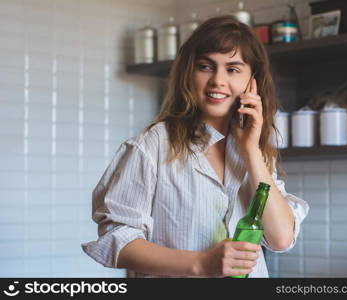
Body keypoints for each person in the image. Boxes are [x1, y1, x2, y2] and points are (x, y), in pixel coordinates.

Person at [81, 15, 309, 278]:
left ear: (252, 82)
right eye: (206, 66)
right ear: (189, 72)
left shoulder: (255, 151)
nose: (217, 81)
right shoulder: (153, 144)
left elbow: (280, 239)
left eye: (233, 69)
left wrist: (251, 153)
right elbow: (117, 240)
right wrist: (201, 264)